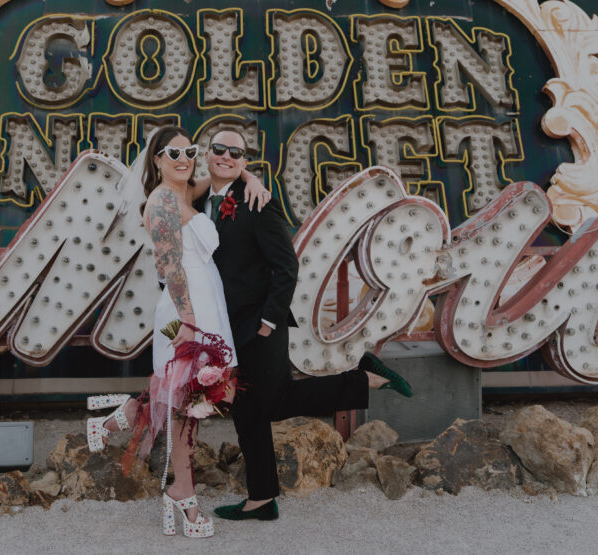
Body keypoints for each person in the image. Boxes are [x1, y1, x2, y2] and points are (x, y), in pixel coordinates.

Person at [198, 129, 413, 522]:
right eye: (219, 149)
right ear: (207, 153)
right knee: (248, 411)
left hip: (260, 324)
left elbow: (287, 265)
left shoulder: (258, 204)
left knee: (273, 401)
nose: (226, 155)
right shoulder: (200, 200)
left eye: (236, 152)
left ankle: (362, 378)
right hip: (224, 326)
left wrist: (268, 320)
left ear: (245, 160)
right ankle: (261, 499)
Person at [85, 126, 268, 539]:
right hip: (185, 313)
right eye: (173, 153)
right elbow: (171, 268)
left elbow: (226, 174)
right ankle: (182, 496)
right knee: (188, 406)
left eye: (190, 151)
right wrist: (188, 324)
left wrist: (250, 177)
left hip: (204, 307)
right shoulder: (163, 200)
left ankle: (116, 422)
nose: (184, 158)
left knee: (186, 400)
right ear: (157, 159)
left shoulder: (184, 190)